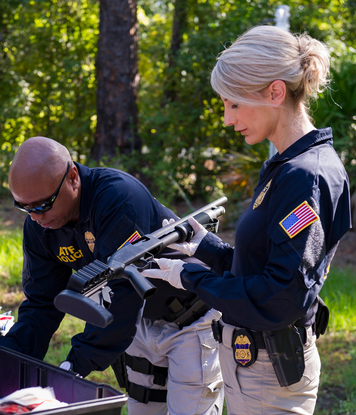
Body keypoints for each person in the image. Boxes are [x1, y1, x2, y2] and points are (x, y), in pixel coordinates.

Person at [141, 25, 352, 415]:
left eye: (233, 104)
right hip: (253, 366)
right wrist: (207, 248)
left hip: (270, 373)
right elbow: (263, 265)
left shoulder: (306, 176)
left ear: (275, 92)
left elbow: (281, 294)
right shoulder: (284, 165)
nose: (226, 118)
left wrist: (189, 278)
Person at [0, 136, 224, 415]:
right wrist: (10, 358)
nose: (35, 217)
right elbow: (42, 302)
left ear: (72, 177)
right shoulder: (40, 226)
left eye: (43, 205)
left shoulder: (117, 199)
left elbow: (122, 297)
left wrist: (73, 366)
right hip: (139, 326)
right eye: (24, 207)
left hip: (190, 319)